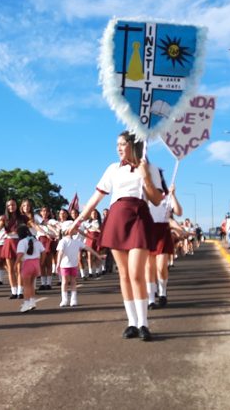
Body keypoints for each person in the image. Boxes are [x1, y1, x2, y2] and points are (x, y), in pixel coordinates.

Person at [69, 131, 162, 341]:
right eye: (117, 145)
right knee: (124, 275)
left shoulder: (148, 168)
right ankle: (131, 322)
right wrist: (78, 220)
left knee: (136, 274)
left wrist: (146, 177)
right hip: (117, 218)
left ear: (133, 145)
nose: (119, 148)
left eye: (122, 144)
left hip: (139, 218)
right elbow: (96, 197)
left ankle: (144, 324)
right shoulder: (112, 169)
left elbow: (156, 200)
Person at [146, 173, 182, 309]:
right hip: (148, 233)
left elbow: (178, 212)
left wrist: (173, 195)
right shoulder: (146, 197)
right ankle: (150, 300)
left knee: (161, 267)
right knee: (149, 269)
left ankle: (162, 293)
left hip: (162, 232)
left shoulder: (167, 198)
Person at [56, 226, 102, 307]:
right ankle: (64, 300)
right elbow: (60, 253)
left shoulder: (77, 242)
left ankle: (73, 300)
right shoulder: (63, 241)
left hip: (74, 265)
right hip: (64, 265)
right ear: (68, 231)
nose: (77, 230)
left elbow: (88, 249)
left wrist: (98, 255)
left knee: (73, 282)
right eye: (74, 229)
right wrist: (58, 264)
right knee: (65, 282)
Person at [0, 199, 30, 299]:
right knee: (10, 269)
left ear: (16, 206)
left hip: (20, 243)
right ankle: (14, 291)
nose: (11, 207)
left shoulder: (23, 217)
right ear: (6, 207)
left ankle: (20, 291)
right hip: (9, 243)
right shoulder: (4, 218)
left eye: (13, 205)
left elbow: (28, 228)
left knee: (20, 269)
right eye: (9, 205)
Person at [15, 224, 45, 312]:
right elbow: (44, 252)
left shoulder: (22, 242)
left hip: (27, 264)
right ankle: (32, 302)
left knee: (26, 286)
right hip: (36, 264)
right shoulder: (36, 241)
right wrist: (41, 262)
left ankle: (26, 304)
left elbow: (20, 254)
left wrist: (15, 264)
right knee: (31, 285)